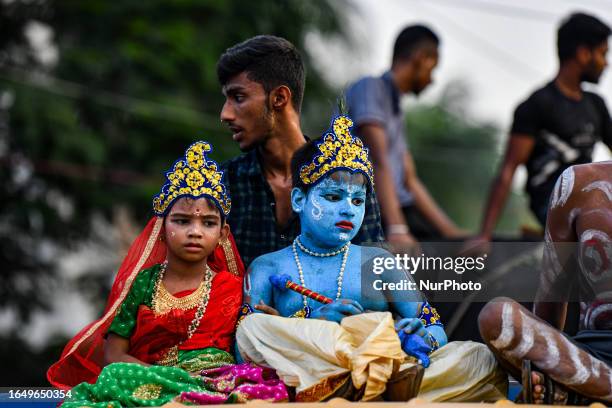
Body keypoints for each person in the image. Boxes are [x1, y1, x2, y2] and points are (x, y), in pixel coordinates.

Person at [235, 115, 507, 402]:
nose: (348, 210)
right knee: (253, 327)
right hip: (311, 370)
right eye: (333, 197)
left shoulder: (379, 262)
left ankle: (367, 383)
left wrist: (419, 336)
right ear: (299, 200)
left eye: (357, 201)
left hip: (388, 368)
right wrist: (315, 323)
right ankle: (365, 386)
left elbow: (434, 329)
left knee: (478, 358)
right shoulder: (269, 267)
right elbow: (244, 349)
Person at [47, 141, 288, 406]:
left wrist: (271, 326)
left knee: (262, 382)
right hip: (152, 377)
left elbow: (249, 342)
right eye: (183, 221)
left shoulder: (233, 285)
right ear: (162, 227)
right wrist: (163, 375)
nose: (195, 231)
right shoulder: (144, 283)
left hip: (214, 379)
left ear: (223, 234)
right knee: (114, 374)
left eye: (208, 223)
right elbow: (113, 355)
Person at [217, 35, 384, 268]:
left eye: (238, 97)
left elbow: (373, 277)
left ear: (279, 98)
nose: (225, 114)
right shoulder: (221, 184)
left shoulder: (350, 178)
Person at [467, 12, 611, 252]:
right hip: (555, 205)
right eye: (603, 54)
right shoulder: (537, 105)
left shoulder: (596, 105)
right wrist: (484, 235)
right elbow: (508, 170)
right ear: (584, 53)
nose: (606, 63)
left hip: (590, 200)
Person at [479, 162, 612, 404]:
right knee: (497, 316)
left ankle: (573, 392)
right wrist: (544, 366)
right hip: (590, 360)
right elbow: (550, 305)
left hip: (586, 374)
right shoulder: (578, 183)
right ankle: (584, 387)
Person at [345, 25, 463, 246]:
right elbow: (378, 160)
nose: (432, 79)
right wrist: (398, 229)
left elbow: (409, 180)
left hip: (399, 210)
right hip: (371, 211)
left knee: (459, 255)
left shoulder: (395, 109)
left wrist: (452, 234)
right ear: (420, 58)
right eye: (432, 68)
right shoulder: (370, 88)